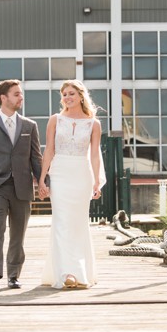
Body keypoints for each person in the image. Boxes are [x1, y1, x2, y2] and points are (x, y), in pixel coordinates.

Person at [0, 79, 42, 289]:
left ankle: (14, 274)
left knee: (18, 232)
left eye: (21, 94)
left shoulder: (30, 126)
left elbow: (36, 158)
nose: (21, 97)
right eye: (16, 94)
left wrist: (42, 182)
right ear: (3, 98)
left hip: (22, 187)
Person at [38, 79, 105, 289]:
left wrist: (96, 181)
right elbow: (49, 150)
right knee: (61, 222)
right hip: (59, 174)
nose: (67, 97)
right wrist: (42, 178)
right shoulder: (55, 120)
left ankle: (79, 271)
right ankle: (66, 272)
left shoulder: (94, 124)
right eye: (65, 94)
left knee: (77, 224)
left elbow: (94, 155)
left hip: (81, 175)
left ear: (81, 96)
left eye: (71, 93)